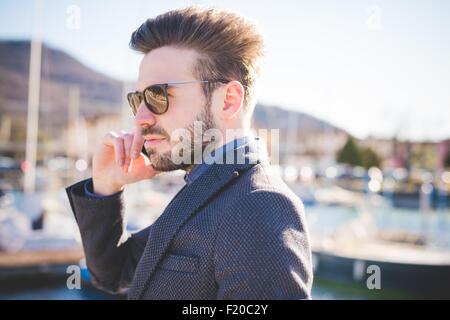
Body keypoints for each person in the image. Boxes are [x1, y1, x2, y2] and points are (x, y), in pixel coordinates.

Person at [66, 6, 312, 300]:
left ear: (228, 100)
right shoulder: (206, 188)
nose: (140, 117)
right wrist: (105, 186)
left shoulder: (258, 205)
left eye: (158, 96)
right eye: (138, 99)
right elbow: (114, 275)